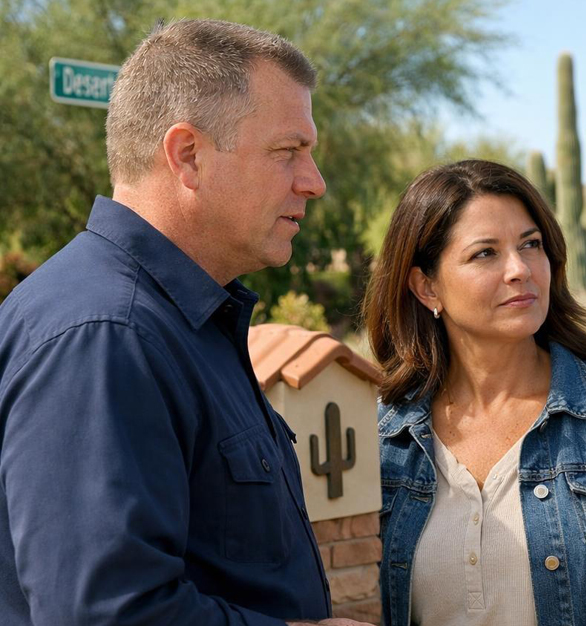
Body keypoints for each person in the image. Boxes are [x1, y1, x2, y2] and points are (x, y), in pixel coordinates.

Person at [0, 19, 368, 626]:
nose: (315, 182)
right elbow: (102, 615)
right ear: (188, 156)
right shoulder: (106, 335)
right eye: (288, 152)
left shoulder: (175, 320)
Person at [362, 159, 586, 626]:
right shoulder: (381, 438)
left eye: (530, 245)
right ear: (427, 287)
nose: (519, 269)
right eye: (485, 253)